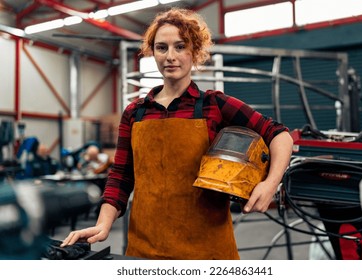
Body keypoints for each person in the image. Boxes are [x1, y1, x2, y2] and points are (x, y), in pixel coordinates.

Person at [61, 7, 293, 260]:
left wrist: (270, 184)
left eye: (180, 47)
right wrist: (103, 224)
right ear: (153, 53)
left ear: (194, 52)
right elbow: (121, 175)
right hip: (144, 249)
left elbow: (280, 134)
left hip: (207, 251)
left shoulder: (213, 105)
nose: (170, 56)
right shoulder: (135, 112)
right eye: (162, 48)